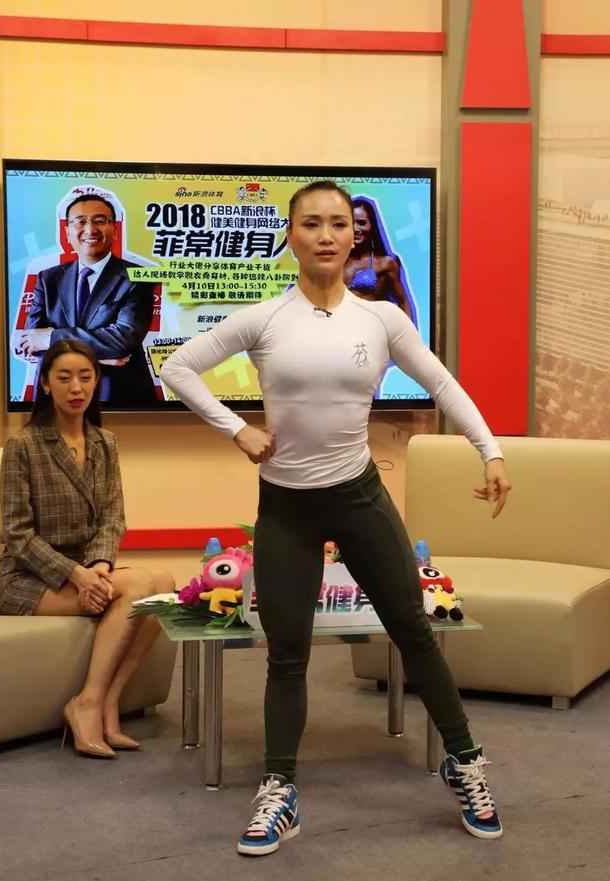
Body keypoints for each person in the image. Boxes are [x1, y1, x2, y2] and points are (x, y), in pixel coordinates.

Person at [160, 180, 512, 855]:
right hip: (285, 507)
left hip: (359, 498)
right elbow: (178, 367)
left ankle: (466, 762)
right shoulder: (264, 317)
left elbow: (441, 383)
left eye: (339, 224)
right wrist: (237, 429)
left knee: (413, 632)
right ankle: (280, 789)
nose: (326, 235)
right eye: (311, 223)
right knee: (287, 656)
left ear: (355, 235)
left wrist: (489, 450)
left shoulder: (380, 320)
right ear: (290, 236)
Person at [0, 339, 174, 757]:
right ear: (45, 384)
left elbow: (113, 518)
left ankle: (109, 702)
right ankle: (86, 703)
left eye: (85, 377)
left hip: (89, 570)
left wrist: (99, 567)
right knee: (136, 590)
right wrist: (77, 575)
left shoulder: (105, 442)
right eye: (64, 377)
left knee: (163, 584)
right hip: (26, 578)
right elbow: (18, 534)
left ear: (96, 382)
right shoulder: (24, 445)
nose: (76, 387)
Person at [21, 195, 157, 406]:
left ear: (115, 230)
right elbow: (32, 342)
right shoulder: (47, 279)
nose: (90, 229)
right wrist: (100, 356)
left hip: (119, 400)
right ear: (67, 232)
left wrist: (51, 338)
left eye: (100, 221)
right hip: (57, 401)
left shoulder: (138, 277)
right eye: (80, 221)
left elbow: (123, 338)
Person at [344, 196, 416, 322]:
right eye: (350, 223)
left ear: (372, 225)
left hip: (373, 330)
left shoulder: (386, 263)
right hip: (341, 329)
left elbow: (403, 302)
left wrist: (409, 333)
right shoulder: (334, 261)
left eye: (362, 223)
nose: (355, 229)